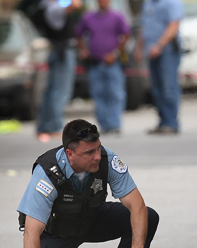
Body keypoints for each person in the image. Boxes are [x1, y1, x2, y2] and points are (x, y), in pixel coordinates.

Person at [17, 119, 160, 248]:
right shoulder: (47, 173)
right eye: (88, 152)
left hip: (91, 220)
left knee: (148, 217)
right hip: (58, 233)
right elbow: (31, 233)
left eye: (97, 148)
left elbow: (137, 207)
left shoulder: (107, 159)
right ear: (70, 154)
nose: (97, 157)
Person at [75, 0, 130, 135]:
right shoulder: (88, 17)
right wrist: (83, 50)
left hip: (112, 63)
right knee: (99, 94)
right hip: (95, 62)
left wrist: (115, 53)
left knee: (115, 94)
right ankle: (105, 125)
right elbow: (78, 34)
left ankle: (114, 124)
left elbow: (126, 35)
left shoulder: (117, 17)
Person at [35, 0, 83, 143]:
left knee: (51, 91)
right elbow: (76, 5)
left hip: (56, 50)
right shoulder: (54, 7)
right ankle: (55, 126)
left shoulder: (45, 6)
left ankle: (44, 126)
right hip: (63, 51)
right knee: (60, 91)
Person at [135, 0, 184, 135]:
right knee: (157, 89)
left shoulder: (172, 3)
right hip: (151, 52)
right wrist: (139, 48)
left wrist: (159, 45)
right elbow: (144, 26)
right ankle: (163, 122)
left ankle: (171, 123)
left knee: (168, 87)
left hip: (167, 51)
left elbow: (173, 26)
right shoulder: (148, 3)